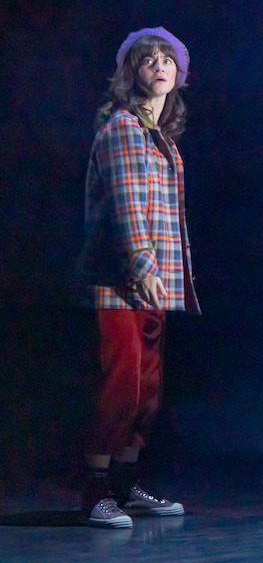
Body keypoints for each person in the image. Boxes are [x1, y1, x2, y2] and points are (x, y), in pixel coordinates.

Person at [76, 27, 200, 527]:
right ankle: (95, 493)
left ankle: (124, 487)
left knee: (147, 391)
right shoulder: (123, 127)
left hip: (156, 281)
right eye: (148, 59)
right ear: (132, 73)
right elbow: (127, 206)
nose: (159, 66)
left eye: (167, 59)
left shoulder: (162, 139)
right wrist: (143, 264)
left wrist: (166, 274)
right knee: (122, 385)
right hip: (121, 280)